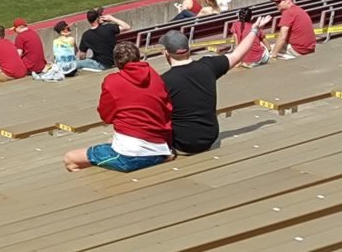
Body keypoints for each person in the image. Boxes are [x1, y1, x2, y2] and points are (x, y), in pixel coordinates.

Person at [65, 39, 172, 172]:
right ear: (138, 57)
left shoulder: (112, 82)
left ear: (116, 62)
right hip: (161, 148)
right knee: (111, 142)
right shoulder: (154, 75)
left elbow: (106, 117)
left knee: (70, 159)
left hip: (130, 155)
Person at [161, 27, 264, 155]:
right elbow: (237, 55)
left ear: (166, 53)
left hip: (182, 143)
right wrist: (254, 31)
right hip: (210, 137)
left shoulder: (164, 81)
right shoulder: (208, 66)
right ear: (189, 49)